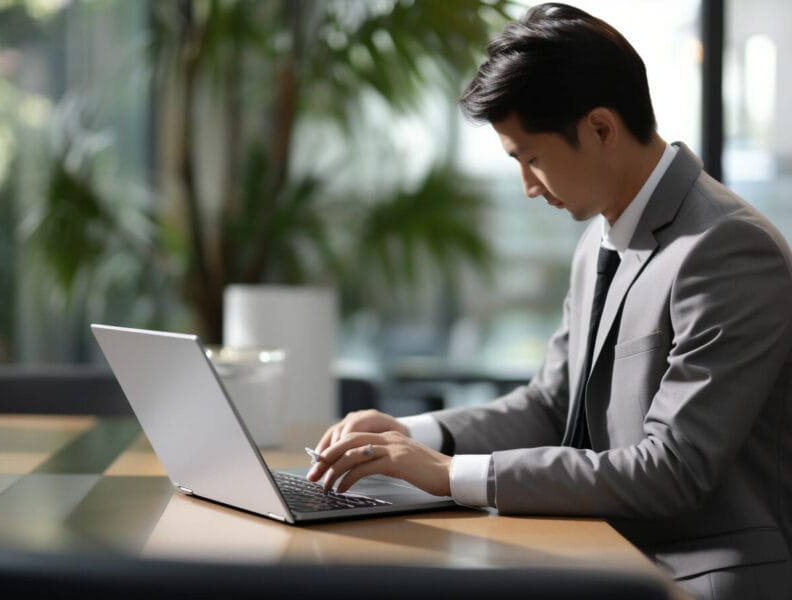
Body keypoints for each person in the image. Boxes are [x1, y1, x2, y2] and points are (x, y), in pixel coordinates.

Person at [306, 4, 792, 598]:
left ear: (601, 129)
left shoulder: (726, 247)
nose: (528, 187)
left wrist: (447, 476)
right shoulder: (600, 240)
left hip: (698, 579)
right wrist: (409, 437)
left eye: (531, 159)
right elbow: (550, 405)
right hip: (600, 557)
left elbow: (673, 470)